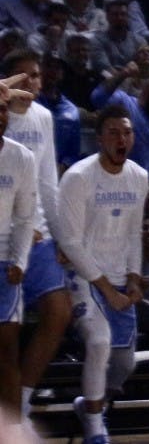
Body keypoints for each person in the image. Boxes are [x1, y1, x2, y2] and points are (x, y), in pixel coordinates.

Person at [57, 105, 147, 444]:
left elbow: (135, 234)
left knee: (123, 363)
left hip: (120, 276)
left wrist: (135, 278)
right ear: (99, 139)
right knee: (98, 341)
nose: (121, 139)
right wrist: (108, 290)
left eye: (126, 132)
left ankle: (90, 406)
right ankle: (96, 428)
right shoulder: (79, 177)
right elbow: (70, 243)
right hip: (83, 276)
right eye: (113, 132)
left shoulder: (138, 176)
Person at [0, 52, 73, 432]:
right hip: (4, 234)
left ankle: (23, 404)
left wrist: (61, 237)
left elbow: (47, 182)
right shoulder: (1, 110)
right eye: (25, 76)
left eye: (38, 76)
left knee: (59, 312)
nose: (33, 83)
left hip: (36, 230)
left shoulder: (44, 118)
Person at [0, 86, 37, 441]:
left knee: (8, 351)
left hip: (4, 258)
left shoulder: (21, 157)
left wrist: (20, 260)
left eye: (2, 108)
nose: (0, 115)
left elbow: (26, 218)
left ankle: (10, 433)